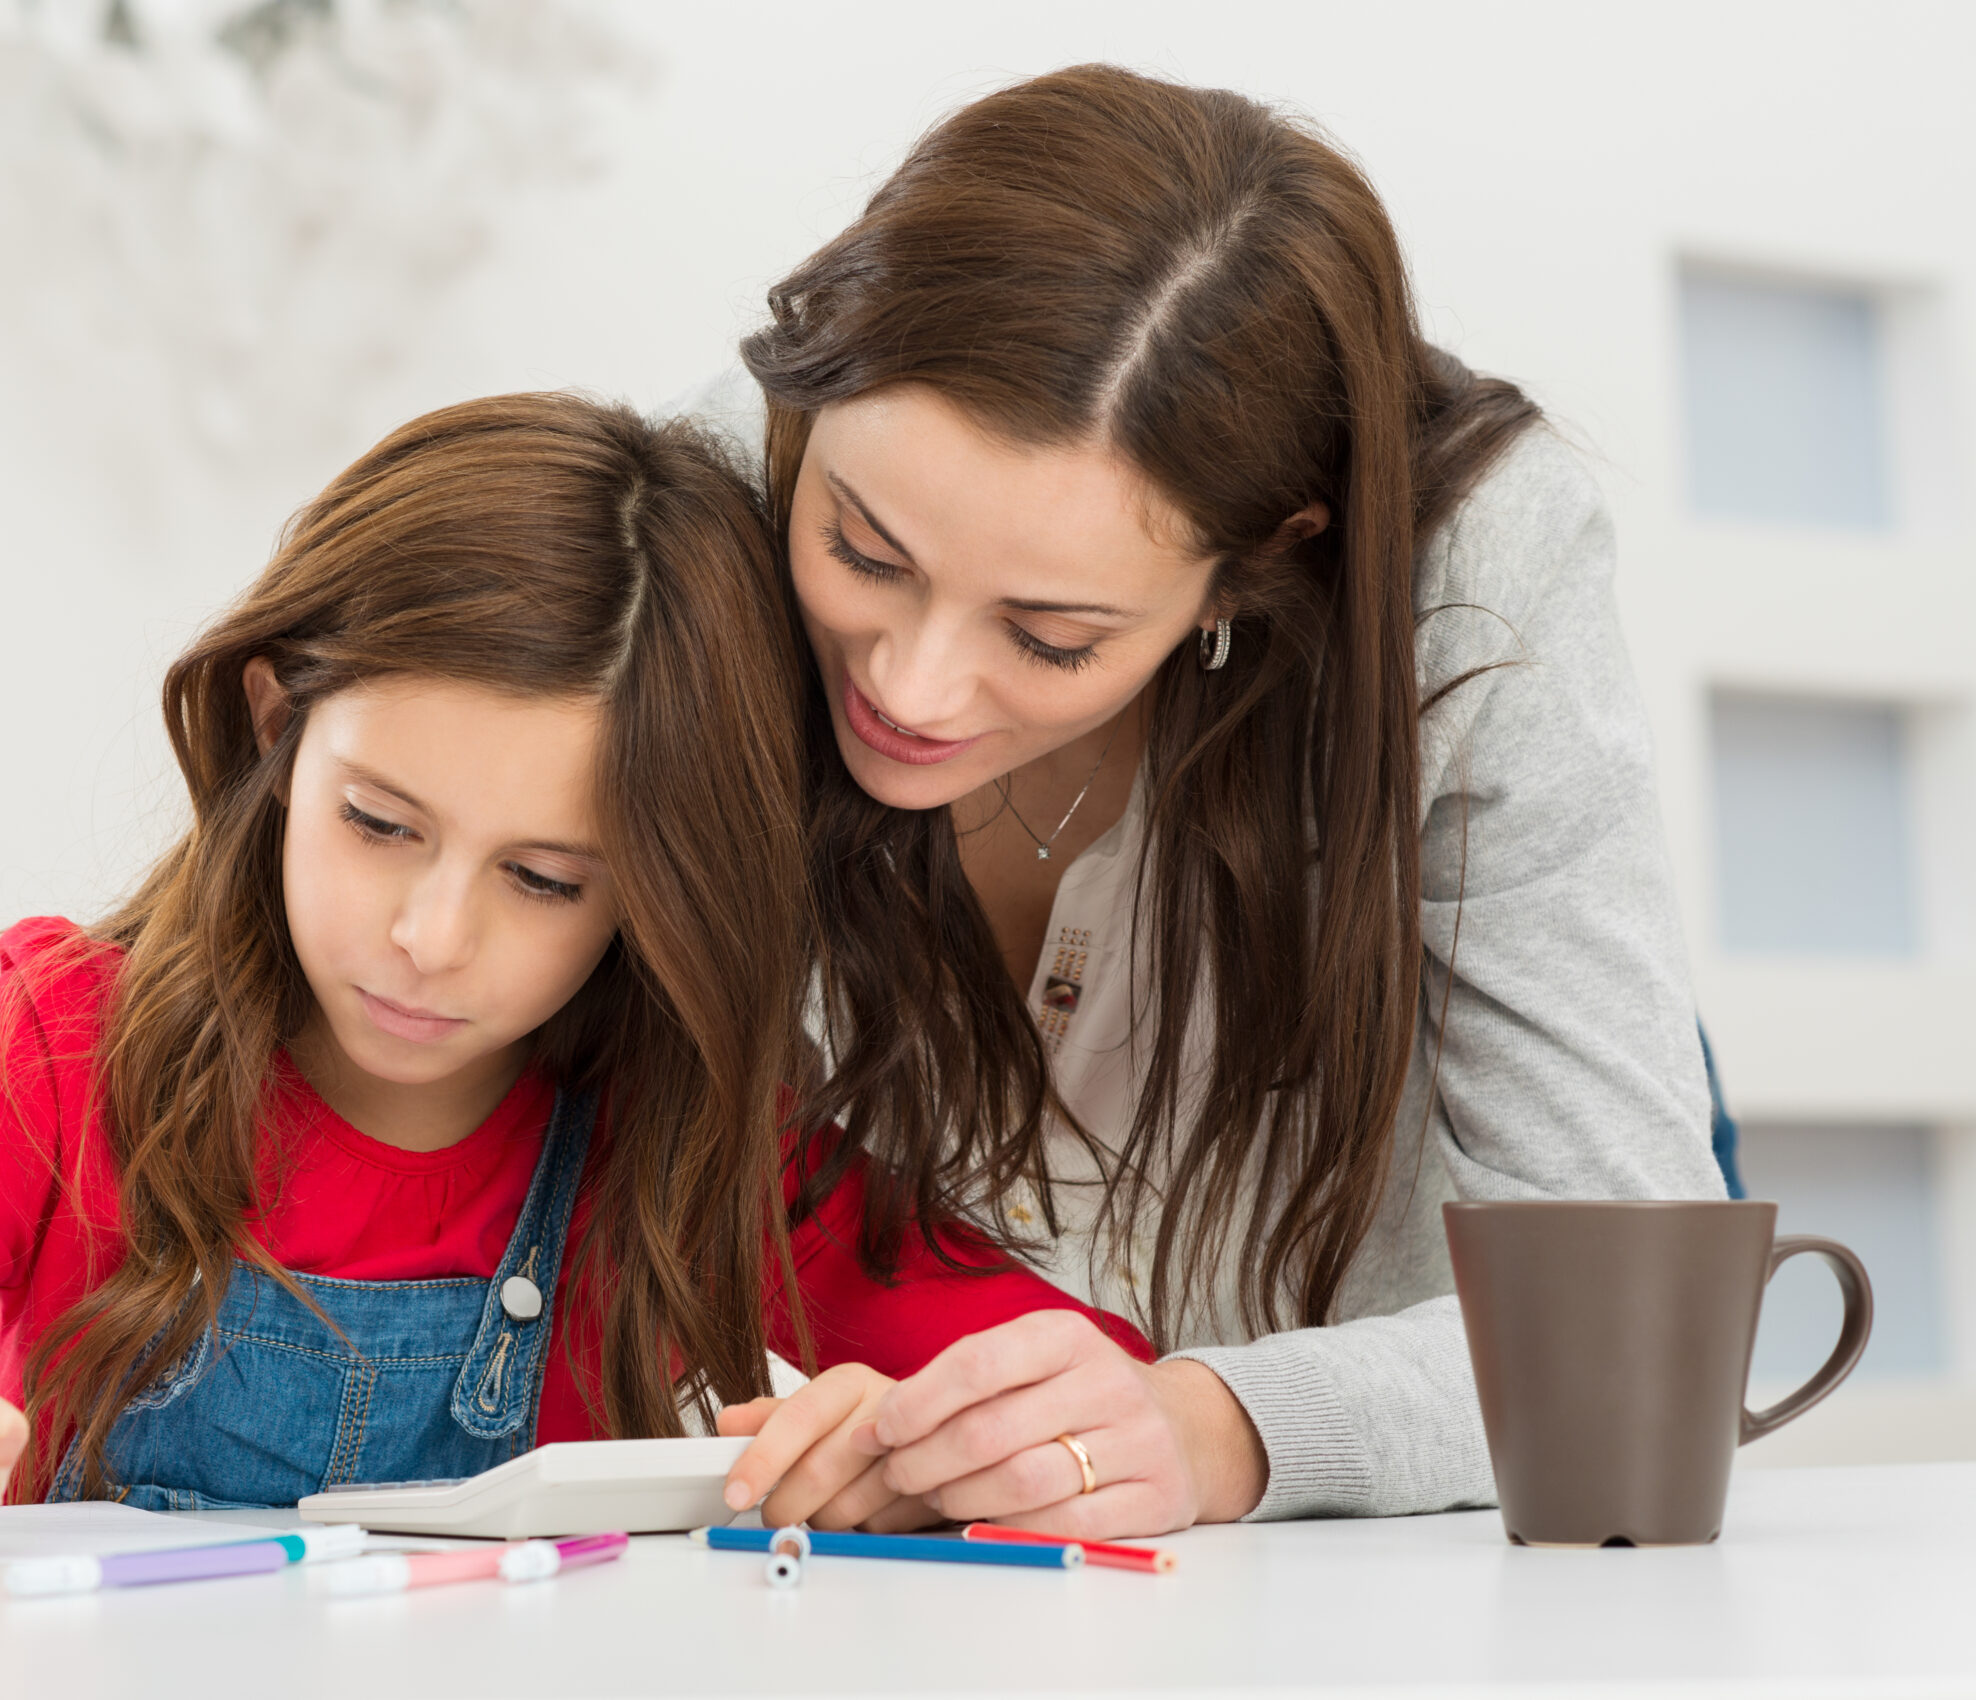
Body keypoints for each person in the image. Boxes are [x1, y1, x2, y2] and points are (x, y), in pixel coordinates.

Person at [0, 394, 1147, 1553]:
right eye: (378, 824)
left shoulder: (694, 1131)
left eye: (547, 880)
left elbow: (1093, 1389)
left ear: (658, 896)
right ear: (277, 724)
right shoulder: (65, 1046)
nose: (431, 936)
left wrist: (916, 1447)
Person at [706, 65, 1725, 1536]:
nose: (913, 692)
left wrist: (1212, 1427)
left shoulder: (1470, 577)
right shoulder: (703, 498)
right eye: (864, 554)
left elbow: (1630, 1333)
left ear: (1258, 562)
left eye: (1053, 637)